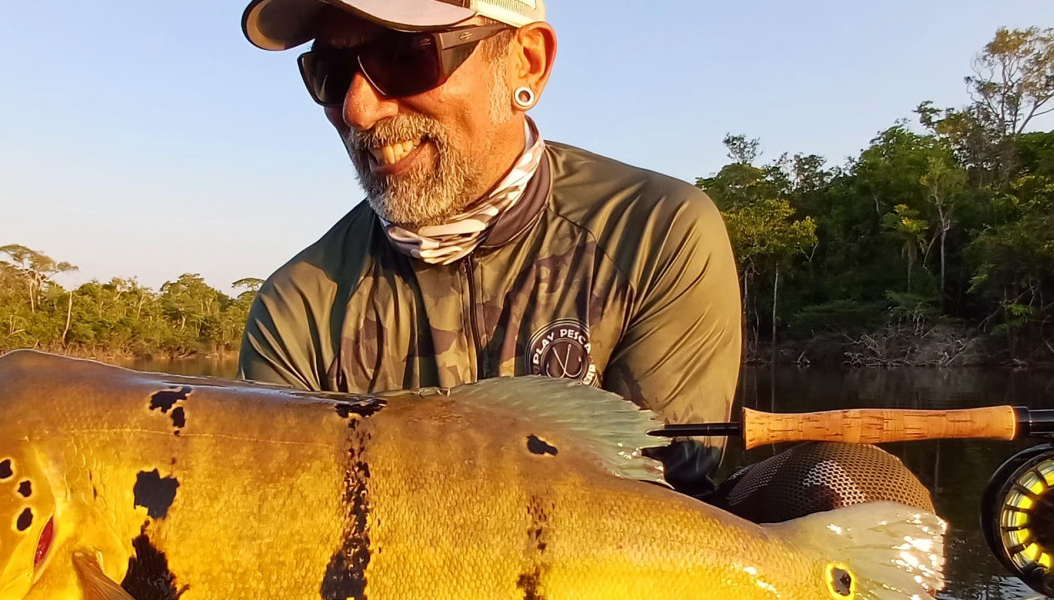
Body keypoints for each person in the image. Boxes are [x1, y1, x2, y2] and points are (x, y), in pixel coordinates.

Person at [236, 0, 932, 519]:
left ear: (527, 62)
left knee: (866, 491)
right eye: (328, 71)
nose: (358, 109)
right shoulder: (297, 305)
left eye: (403, 55)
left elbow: (669, 496)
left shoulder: (657, 229)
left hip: (615, 557)